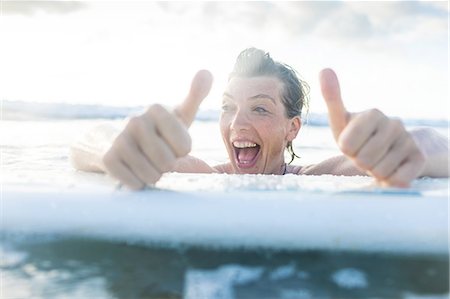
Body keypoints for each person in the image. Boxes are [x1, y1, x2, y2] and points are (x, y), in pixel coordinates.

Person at [70, 48, 449, 190]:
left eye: (261, 108)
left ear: (293, 128)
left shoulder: (317, 178)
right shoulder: (205, 175)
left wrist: (408, 147)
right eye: (227, 107)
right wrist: (114, 147)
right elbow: (89, 139)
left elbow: (435, 146)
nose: (237, 123)